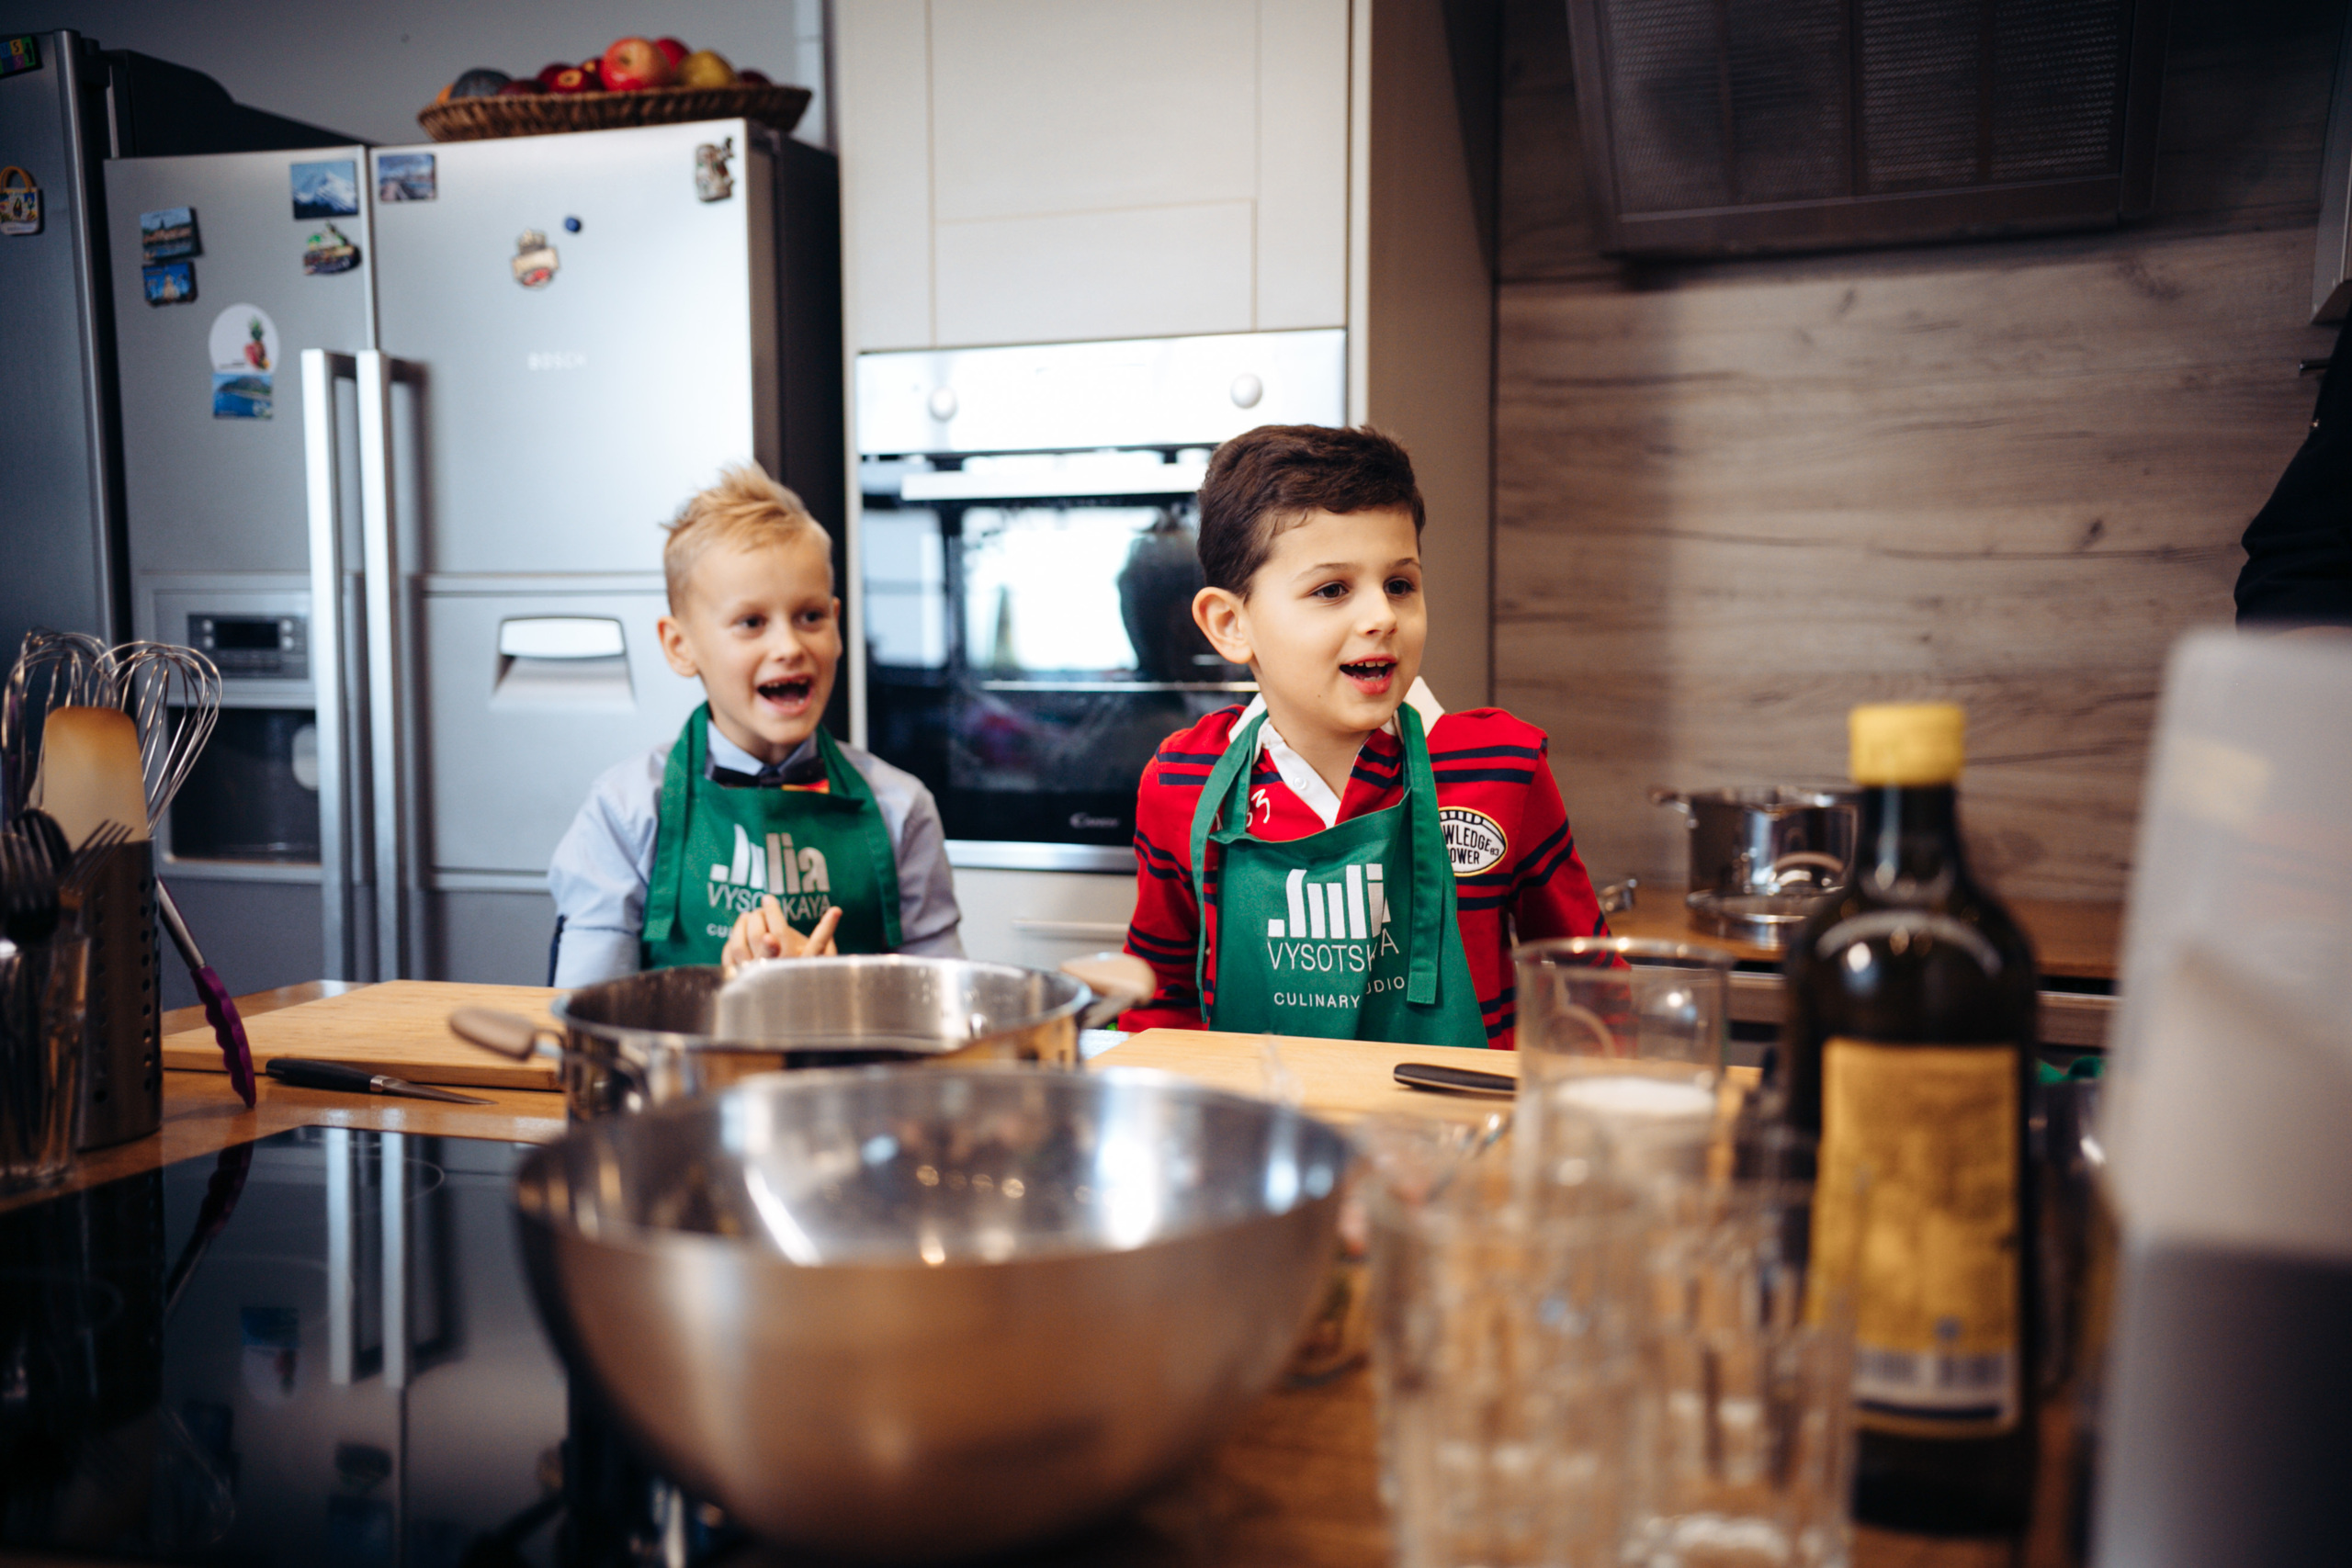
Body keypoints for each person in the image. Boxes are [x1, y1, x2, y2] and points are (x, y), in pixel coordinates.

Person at [1121, 424, 1610, 1048]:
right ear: (1230, 623)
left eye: (1400, 584)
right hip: (1258, 1140)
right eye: (1332, 589)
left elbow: (1590, 985)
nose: (1381, 616)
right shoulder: (1183, 786)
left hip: (1462, 1140)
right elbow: (1157, 1002)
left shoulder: (1500, 768)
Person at [548, 465, 960, 984]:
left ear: (837, 627)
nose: (789, 647)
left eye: (811, 616)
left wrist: (835, 989)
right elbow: (586, 1021)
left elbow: (945, 1006)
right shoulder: (625, 812)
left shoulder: (903, 811)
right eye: (751, 623)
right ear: (681, 646)